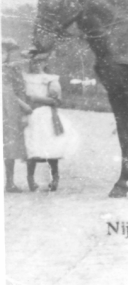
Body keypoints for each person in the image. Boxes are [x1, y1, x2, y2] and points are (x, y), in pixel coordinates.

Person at [23, 60, 76, 192]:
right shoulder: (26, 78)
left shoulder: (50, 79)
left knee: (51, 147)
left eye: (39, 62)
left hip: (46, 115)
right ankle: (30, 179)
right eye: (33, 62)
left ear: (44, 63)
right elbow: (21, 96)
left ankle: (54, 179)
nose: (35, 65)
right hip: (31, 114)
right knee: (31, 146)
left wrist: (36, 99)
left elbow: (57, 100)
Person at [3, 39, 32, 193]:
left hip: (9, 111)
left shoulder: (12, 70)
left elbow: (19, 90)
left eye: (3, 53)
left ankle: (10, 182)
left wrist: (23, 109)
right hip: (6, 106)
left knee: (9, 147)